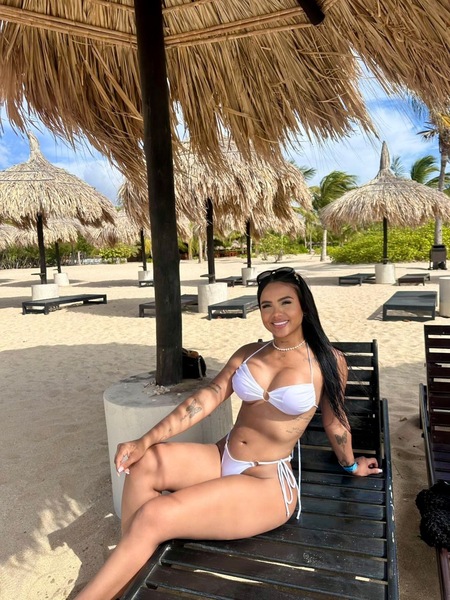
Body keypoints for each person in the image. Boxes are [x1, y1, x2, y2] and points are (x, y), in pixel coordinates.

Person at [74, 266, 382, 600]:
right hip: (223, 457)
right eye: (266, 305)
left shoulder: (327, 361)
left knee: (154, 515)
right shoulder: (250, 352)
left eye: (285, 302)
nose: (276, 314)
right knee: (145, 463)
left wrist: (351, 465)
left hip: (265, 482)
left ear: (304, 306)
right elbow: (205, 399)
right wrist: (144, 441)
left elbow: (335, 423)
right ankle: (127, 573)